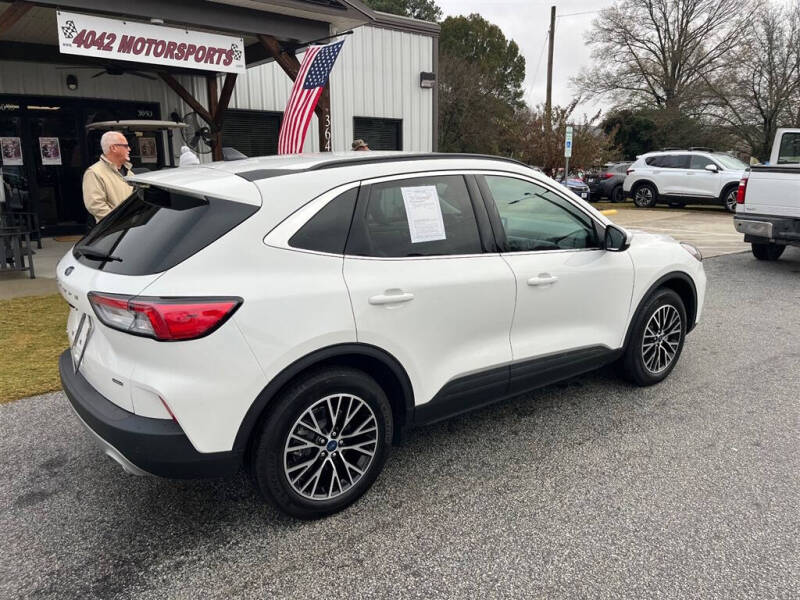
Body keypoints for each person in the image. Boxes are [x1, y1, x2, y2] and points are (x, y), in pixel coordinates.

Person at [82, 131, 133, 223]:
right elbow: (96, 205)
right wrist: (118, 221)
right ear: (113, 148)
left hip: (131, 227)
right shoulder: (94, 172)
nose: (129, 149)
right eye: (125, 146)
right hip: (113, 229)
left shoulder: (129, 172)